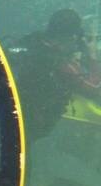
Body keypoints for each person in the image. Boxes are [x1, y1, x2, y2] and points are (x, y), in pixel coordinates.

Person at [10, 8, 101, 143]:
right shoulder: (59, 63)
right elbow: (95, 88)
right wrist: (93, 56)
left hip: (12, 115)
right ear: (71, 37)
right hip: (28, 128)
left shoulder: (34, 42)